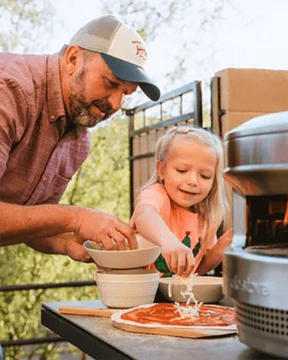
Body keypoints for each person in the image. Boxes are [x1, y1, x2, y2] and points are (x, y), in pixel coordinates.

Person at [0, 15, 161, 262]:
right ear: (73, 58)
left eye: (126, 94)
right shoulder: (10, 89)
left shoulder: (78, 141)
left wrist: (72, 242)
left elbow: (30, 222)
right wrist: (77, 218)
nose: (115, 104)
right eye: (110, 83)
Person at [131, 126, 233, 278]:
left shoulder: (206, 217)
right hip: (141, 294)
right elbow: (144, 215)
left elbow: (196, 268)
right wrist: (168, 242)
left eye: (205, 176)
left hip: (176, 298)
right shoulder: (157, 194)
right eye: (182, 170)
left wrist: (220, 250)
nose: (193, 181)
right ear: (162, 170)